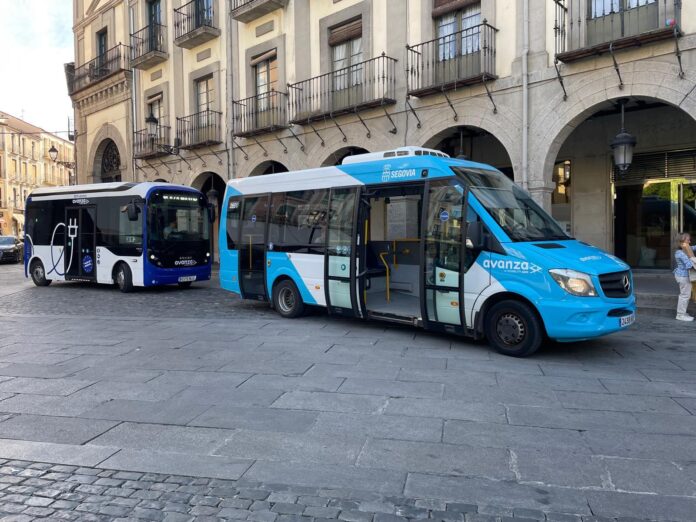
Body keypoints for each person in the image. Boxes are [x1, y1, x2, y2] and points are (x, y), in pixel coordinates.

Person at [674, 232, 696, 321]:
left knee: (686, 295)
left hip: (685, 276)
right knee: (684, 295)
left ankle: (682, 312)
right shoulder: (679, 253)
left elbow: (693, 247)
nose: (690, 242)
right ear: (681, 242)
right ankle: (680, 315)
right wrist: (693, 258)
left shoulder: (686, 249)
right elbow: (690, 265)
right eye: (688, 240)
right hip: (683, 277)